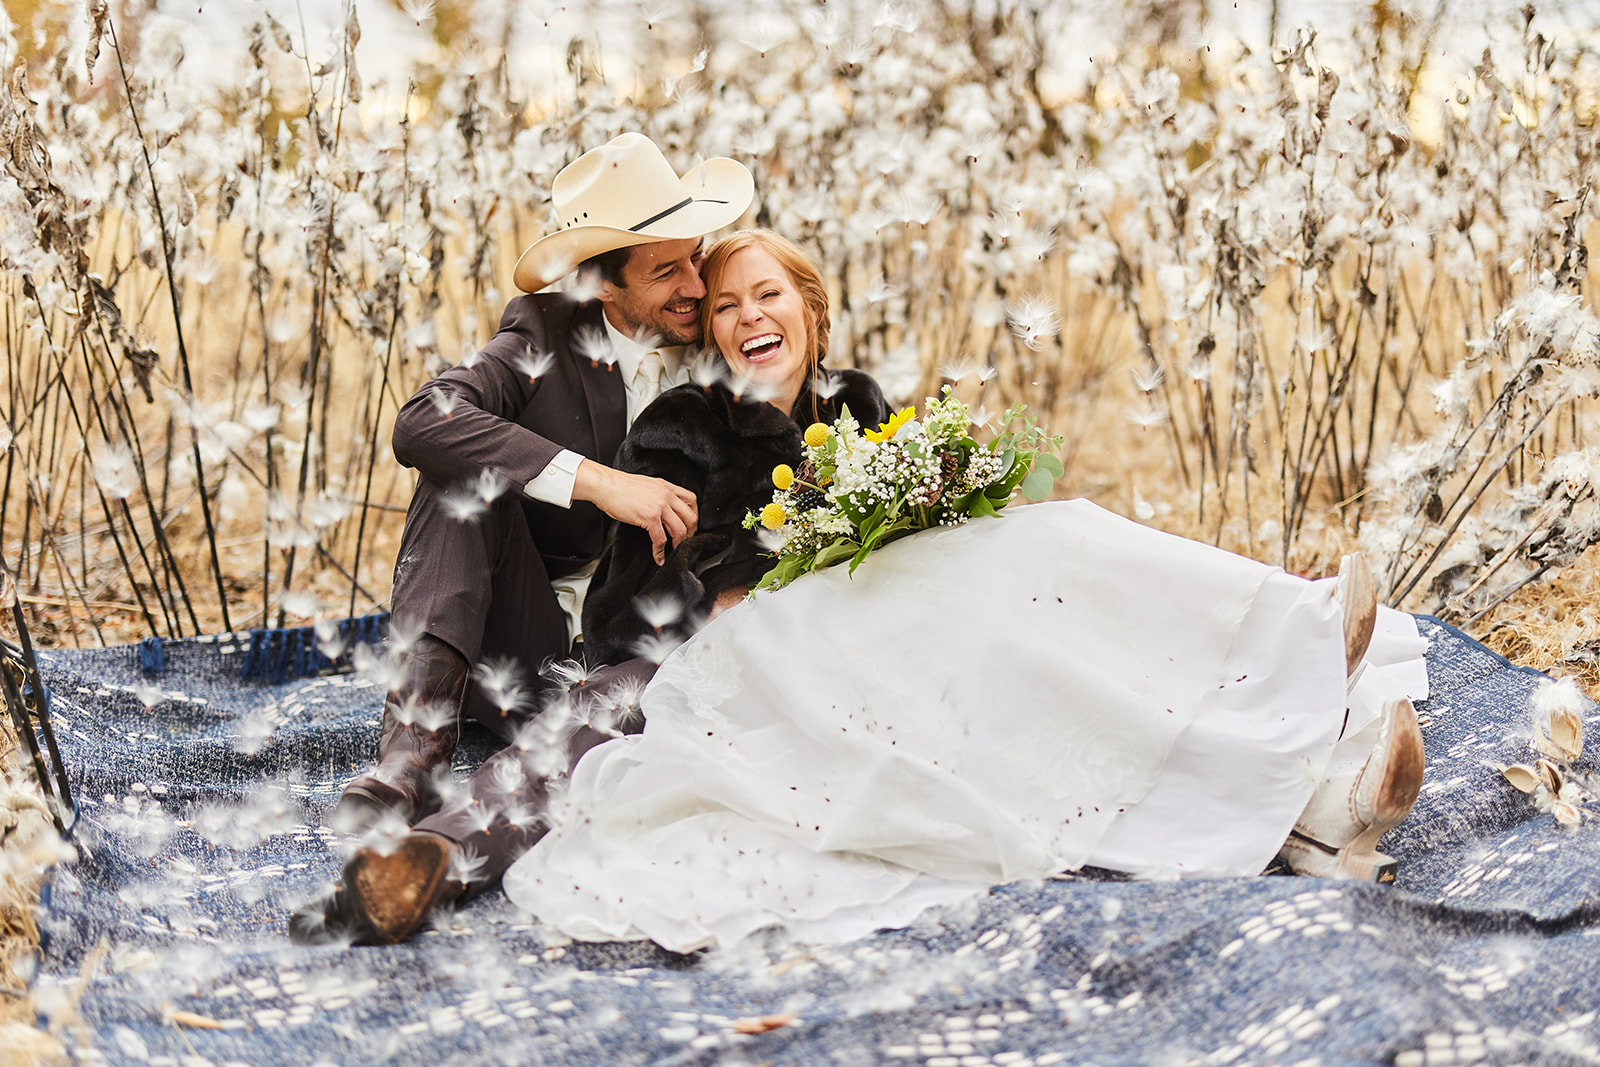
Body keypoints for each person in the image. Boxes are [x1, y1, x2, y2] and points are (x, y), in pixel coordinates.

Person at [327, 133, 753, 839]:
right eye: (666, 271)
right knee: (458, 474)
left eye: (697, 257)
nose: (697, 288)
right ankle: (411, 763)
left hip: (644, 669)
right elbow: (419, 425)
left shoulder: (723, 339)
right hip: (522, 654)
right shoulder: (543, 334)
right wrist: (597, 482)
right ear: (603, 285)